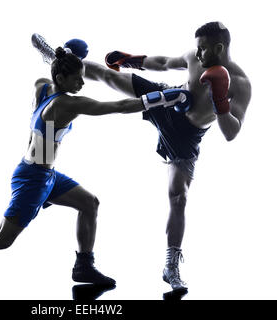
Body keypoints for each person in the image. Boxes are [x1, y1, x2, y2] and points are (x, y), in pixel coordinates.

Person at [0, 47, 159, 294]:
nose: (82, 83)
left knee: (89, 203)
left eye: (82, 77)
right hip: (34, 179)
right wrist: (159, 98)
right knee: (2, 238)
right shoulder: (65, 104)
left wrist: (60, 58)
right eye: (77, 78)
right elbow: (116, 106)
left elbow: (49, 67)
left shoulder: (42, 87)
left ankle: (84, 266)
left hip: (43, 174)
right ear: (61, 79)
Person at [82, 21, 252, 291]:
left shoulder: (240, 84)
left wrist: (221, 101)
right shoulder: (193, 56)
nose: (196, 55)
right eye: (197, 49)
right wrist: (129, 60)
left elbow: (231, 132)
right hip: (168, 102)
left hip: (187, 136)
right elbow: (163, 63)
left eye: (203, 49)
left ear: (219, 48)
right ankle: (65, 63)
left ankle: (170, 266)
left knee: (179, 197)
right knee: (110, 77)